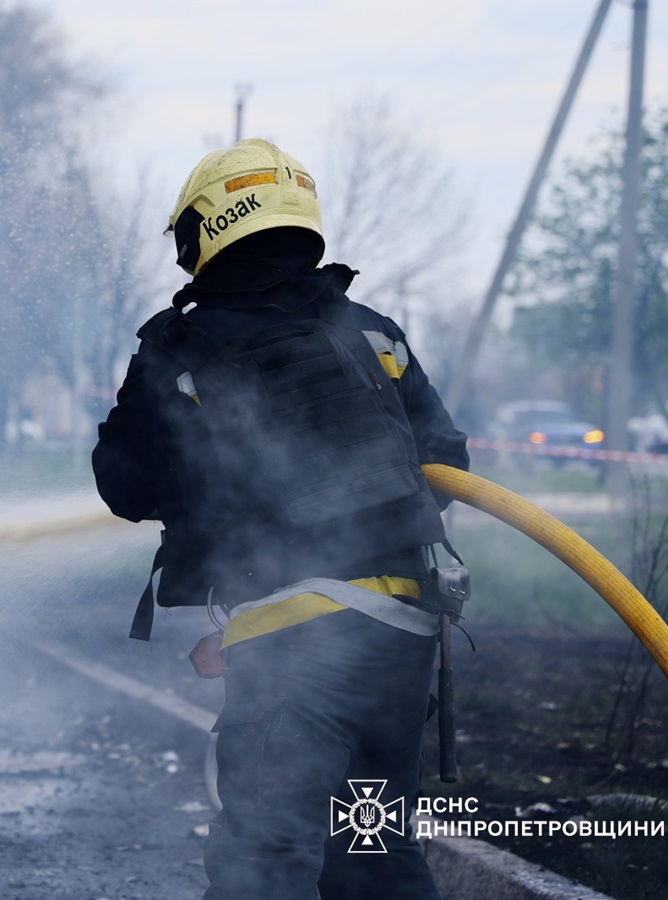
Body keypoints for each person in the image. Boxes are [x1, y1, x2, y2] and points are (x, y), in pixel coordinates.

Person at [92, 138, 469, 900]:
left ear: (205, 228)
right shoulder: (370, 331)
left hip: (291, 645)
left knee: (264, 859)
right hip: (403, 635)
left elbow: (123, 484)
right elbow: (445, 460)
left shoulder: (180, 346)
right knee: (373, 849)